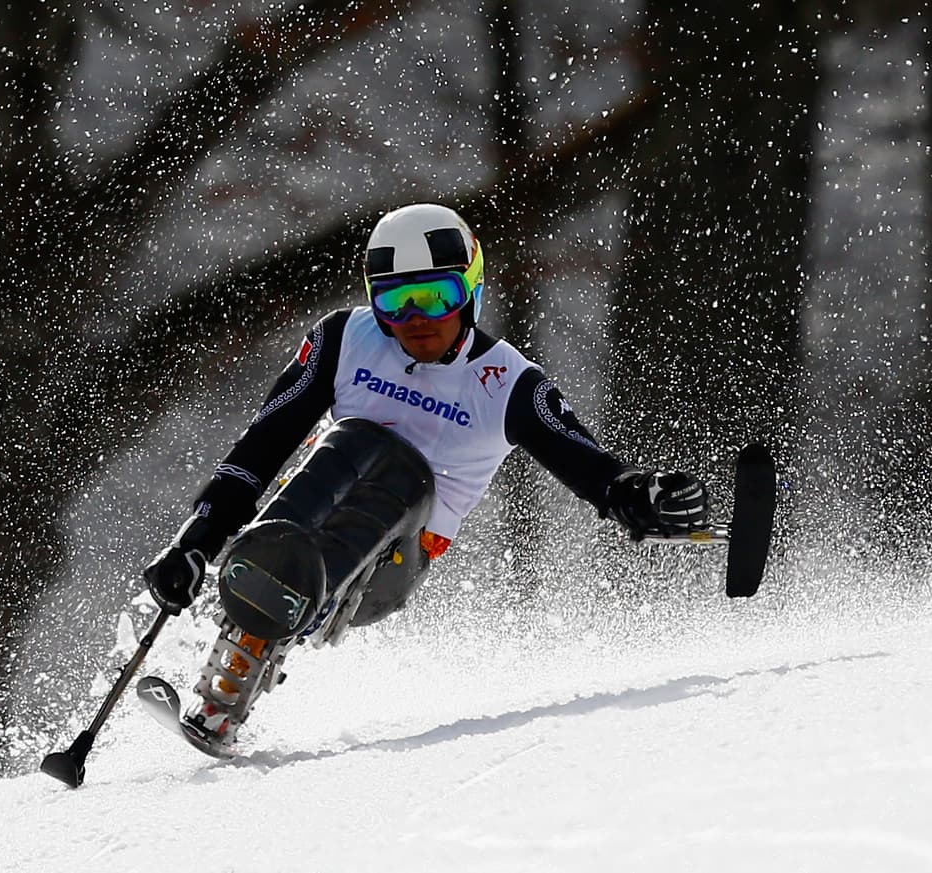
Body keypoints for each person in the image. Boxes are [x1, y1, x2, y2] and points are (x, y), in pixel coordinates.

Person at [143, 203, 708, 743]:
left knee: (389, 460)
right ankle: (226, 675)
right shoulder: (343, 340)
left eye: (436, 298)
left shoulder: (509, 383)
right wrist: (197, 541)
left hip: (389, 564)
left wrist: (641, 496)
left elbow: (594, 469)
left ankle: (252, 654)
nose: (415, 320)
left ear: (471, 294)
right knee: (348, 445)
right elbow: (259, 450)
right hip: (304, 523)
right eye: (395, 302)